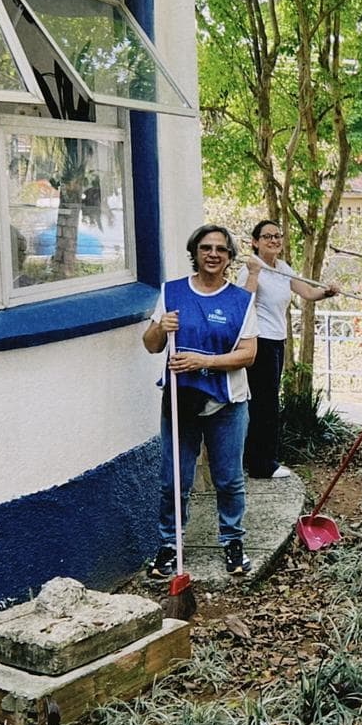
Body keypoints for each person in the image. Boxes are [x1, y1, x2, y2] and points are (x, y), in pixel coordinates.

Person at [142, 223, 258, 577]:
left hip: (227, 403)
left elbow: (249, 354)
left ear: (229, 258)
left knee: (229, 479)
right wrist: (161, 326)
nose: (213, 254)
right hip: (180, 401)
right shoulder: (172, 293)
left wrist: (203, 361)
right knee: (174, 480)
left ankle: (232, 541)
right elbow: (151, 344)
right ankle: (169, 546)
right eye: (206, 248)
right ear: (195, 253)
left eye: (221, 250)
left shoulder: (241, 301)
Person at [241, 219, 338, 480]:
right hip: (259, 341)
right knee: (264, 404)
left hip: (277, 340)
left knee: (269, 402)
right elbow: (242, 303)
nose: (274, 240)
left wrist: (326, 293)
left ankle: (261, 459)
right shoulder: (252, 268)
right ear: (255, 241)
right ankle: (261, 465)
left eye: (278, 236)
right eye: (267, 236)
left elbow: (306, 291)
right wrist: (252, 274)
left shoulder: (282, 268)